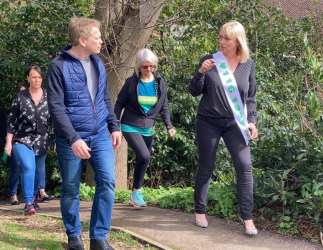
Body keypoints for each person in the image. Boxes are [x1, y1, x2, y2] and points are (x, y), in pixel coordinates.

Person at [47, 17, 121, 250]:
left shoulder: (98, 62)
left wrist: (114, 125)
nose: (101, 40)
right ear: (82, 40)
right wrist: (73, 138)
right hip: (71, 138)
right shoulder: (57, 66)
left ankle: (99, 238)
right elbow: (56, 108)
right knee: (70, 188)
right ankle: (74, 237)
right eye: (97, 37)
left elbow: (104, 97)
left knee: (108, 182)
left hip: (99, 133)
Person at [189, 21, 259, 235]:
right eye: (220, 37)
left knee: (244, 167)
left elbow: (251, 97)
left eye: (226, 38)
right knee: (207, 166)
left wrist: (252, 120)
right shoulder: (210, 60)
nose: (221, 42)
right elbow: (194, 91)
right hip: (208, 121)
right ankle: (199, 211)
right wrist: (201, 72)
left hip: (235, 124)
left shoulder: (247, 64)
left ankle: (247, 218)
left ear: (238, 41)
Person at [114, 48, 176, 207]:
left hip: (149, 127)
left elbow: (164, 106)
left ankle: (134, 193)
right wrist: (116, 126)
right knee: (145, 155)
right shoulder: (131, 82)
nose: (149, 69)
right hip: (130, 124)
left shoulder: (159, 83)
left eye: (151, 66)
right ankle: (137, 192)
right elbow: (119, 103)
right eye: (145, 67)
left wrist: (169, 125)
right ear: (139, 67)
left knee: (143, 160)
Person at [4, 66, 51, 216]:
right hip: (21, 138)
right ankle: (29, 202)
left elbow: (55, 120)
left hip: (42, 139)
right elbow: (12, 121)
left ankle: (35, 200)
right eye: (33, 77)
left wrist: (60, 139)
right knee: (28, 167)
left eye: (39, 77)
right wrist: (8, 142)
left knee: (38, 171)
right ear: (28, 78)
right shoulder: (20, 97)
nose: (36, 80)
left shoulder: (48, 97)